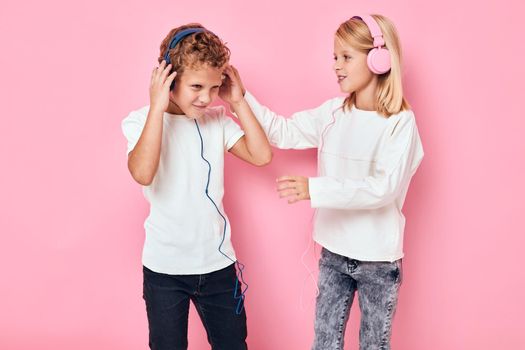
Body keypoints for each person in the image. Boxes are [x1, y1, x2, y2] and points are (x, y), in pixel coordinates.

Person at [235, 14, 424, 350]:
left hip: (378, 261)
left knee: (374, 345)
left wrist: (315, 189)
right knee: (323, 343)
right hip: (333, 253)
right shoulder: (333, 112)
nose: (336, 66)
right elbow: (282, 130)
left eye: (346, 57)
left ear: (378, 58)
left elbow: (383, 188)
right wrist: (240, 98)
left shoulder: (400, 123)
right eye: (334, 57)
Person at [121, 23, 272, 350]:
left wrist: (238, 102)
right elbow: (143, 173)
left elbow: (261, 155)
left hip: (218, 266)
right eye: (197, 86)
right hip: (165, 270)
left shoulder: (216, 120)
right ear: (169, 79)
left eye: (214, 87)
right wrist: (158, 108)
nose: (206, 98)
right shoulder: (141, 121)